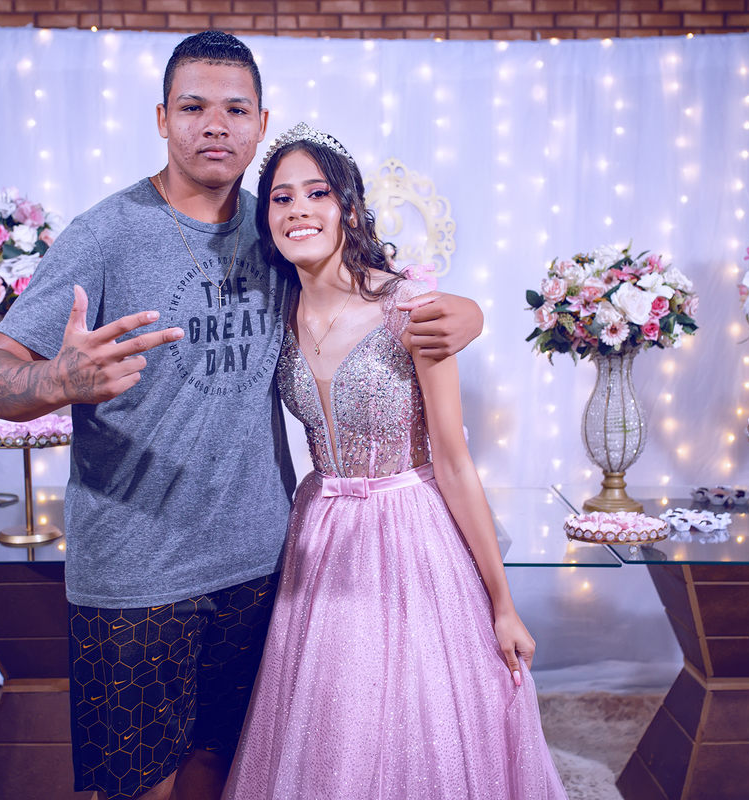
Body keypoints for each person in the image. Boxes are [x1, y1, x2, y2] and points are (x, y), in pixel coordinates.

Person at [0, 32, 484, 800]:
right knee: (138, 785)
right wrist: (55, 380)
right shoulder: (106, 234)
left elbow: (370, 289)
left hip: (262, 564)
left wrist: (466, 312)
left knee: (228, 768)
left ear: (260, 123)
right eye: (193, 107)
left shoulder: (275, 227)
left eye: (236, 109)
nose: (216, 125)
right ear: (162, 118)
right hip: (137, 571)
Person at [221, 125, 568, 799]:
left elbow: (455, 462)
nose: (298, 210)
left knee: (416, 720)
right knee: (329, 722)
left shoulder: (408, 308)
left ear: (349, 209)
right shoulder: (274, 314)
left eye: (317, 193)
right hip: (320, 535)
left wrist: (503, 605)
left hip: (410, 532)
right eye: (281, 198)